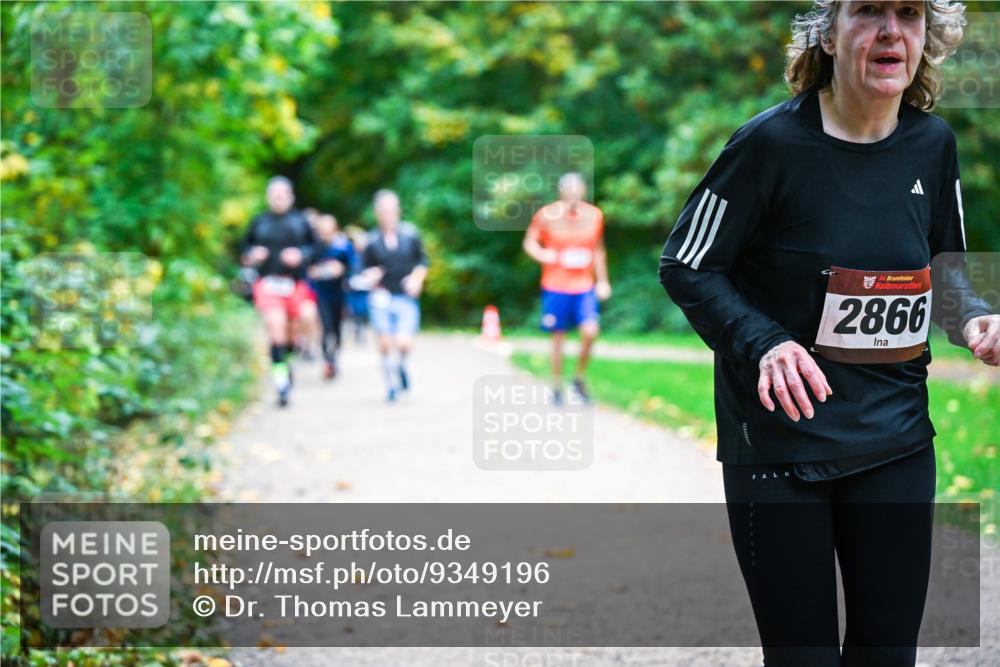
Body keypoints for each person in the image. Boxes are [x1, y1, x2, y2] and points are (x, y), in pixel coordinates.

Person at [659, 2, 998, 665]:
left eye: (908, 13)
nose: (890, 30)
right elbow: (688, 263)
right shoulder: (768, 145)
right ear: (826, 28)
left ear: (929, 36)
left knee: (886, 653)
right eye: (868, 10)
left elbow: (944, 269)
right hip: (781, 449)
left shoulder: (934, 145)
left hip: (895, 438)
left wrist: (974, 315)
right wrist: (764, 342)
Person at [523, 172, 611, 405]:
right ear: (561, 191)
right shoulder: (546, 215)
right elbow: (530, 242)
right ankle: (556, 386)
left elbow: (598, 250)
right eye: (568, 189)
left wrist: (603, 280)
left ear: (583, 191)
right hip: (556, 285)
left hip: (584, 285)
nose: (573, 193)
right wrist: (543, 254)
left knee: (590, 331)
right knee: (558, 338)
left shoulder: (594, 216)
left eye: (577, 189)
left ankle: (578, 378)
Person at [240, 176, 318, 407]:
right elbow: (244, 248)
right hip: (268, 284)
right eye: (274, 195)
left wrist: (301, 256)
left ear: (290, 196)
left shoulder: (301, 221)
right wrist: (253, 254)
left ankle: (287, 359)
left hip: (295, 284)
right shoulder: (259, 222)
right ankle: (281, 383)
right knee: (276, 328)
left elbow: (315, 248)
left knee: (303, 320)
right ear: (268, 197)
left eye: (282, 194)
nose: (278, 199)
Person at [359, 190, 429, 402]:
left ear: (398, 211)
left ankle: (400, 366)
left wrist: (416, 279)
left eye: (391, 210)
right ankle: (391, 384)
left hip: (404, 297)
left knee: (404, 343)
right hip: (381, 297)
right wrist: (371, 276)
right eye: (383, 211)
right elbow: (361, 271)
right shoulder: (370, 240)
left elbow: (423, 262)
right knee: (385, 344)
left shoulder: (410, 235)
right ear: (377, 213)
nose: (388, 215)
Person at [308, 213, 355, 380]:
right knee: (325, 328)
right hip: (320, 293)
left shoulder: (343, 245)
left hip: (340, 293)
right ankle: (329, 360)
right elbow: (308, 269)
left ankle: (335, 357)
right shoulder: (313, 246)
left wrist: (341, 270)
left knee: (336, 329)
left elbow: (353, 266)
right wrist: (319, 272)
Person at [344, 225, 371, 344]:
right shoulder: (350, 255)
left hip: (365, 288)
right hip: (352, 288)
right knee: (353, 310)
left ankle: (362, 330)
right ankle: (357, 329)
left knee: (363, 310)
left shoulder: (369, 255)